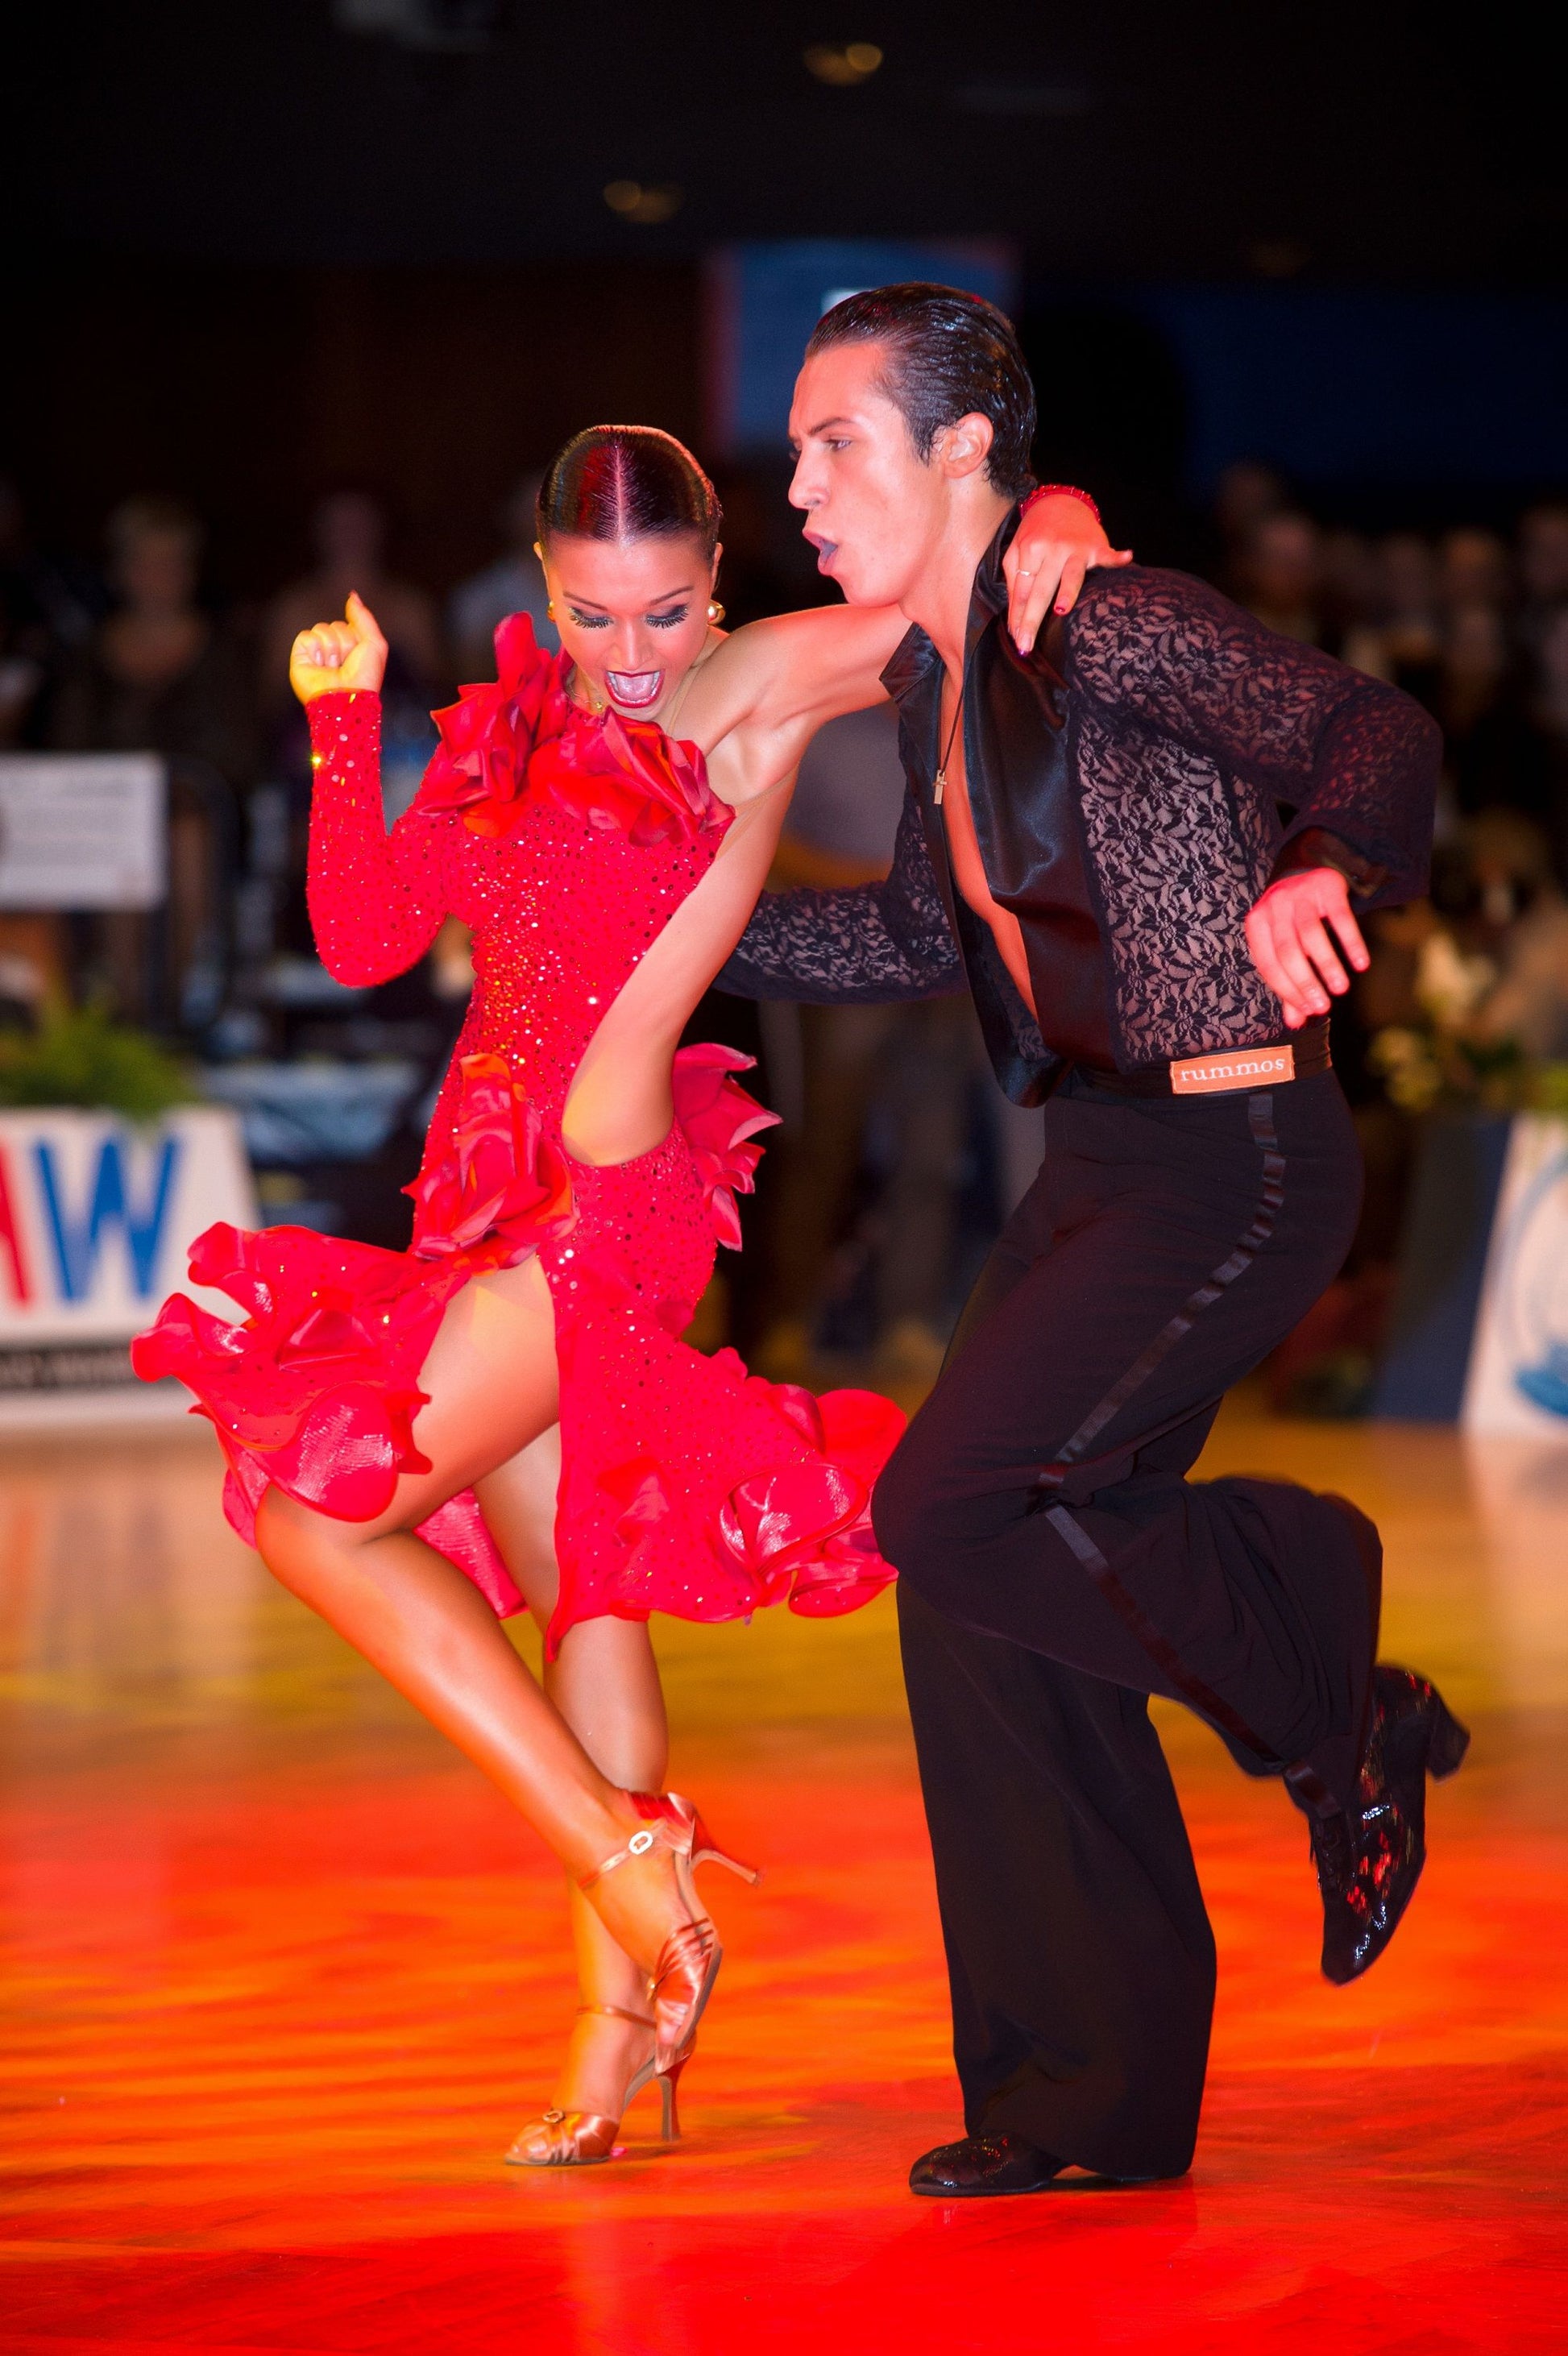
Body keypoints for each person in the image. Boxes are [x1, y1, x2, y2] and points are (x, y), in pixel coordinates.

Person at [134, 425, 1116, 2166]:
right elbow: (365, 936)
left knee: (309, 1512)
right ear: (542, 594)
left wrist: (1051, 511)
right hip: (477, 1195)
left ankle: (629, 1860)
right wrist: (344, 714)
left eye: (667, 608)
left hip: (605, 1200)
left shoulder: (742, 688)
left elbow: (966, 606)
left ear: (719, 589)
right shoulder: (498, 738)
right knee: (590, 1592)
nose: (636, 650)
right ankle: (619, 2038)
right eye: (596, 618)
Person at [720, 284, 1467, 2195]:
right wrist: (676, 946)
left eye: (837, 439)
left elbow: (1370, 730)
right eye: (796, 445)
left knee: (953, 1499)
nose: (798, 481)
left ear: (968, 444)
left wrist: (1326, 861)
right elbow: (911, 938)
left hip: (1239, 1167)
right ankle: (1083, 2100)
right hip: (1099, 1173)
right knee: (973, 1588)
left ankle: (1327, 1673)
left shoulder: (1109, 616)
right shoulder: (935, 680)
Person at [51, 495, 258, 1023]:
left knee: (181, 836)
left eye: (173, 562)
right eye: (146, 562)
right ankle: (124, 1010)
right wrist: (123, 795)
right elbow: (69, 748)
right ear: (121, 571)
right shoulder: (88, 657)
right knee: (122, 837)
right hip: (101, 820)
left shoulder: (222, 651)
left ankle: (176, 1006)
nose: (160, 576)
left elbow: (235, 751)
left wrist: (166, 790)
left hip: (196, 816)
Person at [447, 472, 558, 680]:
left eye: (553, 505)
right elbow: (471, 676)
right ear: (509, 513)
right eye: (530, 507)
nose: (541, 518)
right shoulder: (480, 598)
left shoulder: (600, 591)